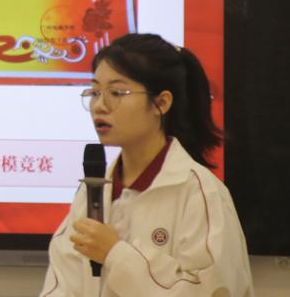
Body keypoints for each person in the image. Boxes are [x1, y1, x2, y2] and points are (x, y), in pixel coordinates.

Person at [40, 33, 254, 297]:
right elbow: (61, 283)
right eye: (95, 92)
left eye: (116, 93)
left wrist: (115, 254)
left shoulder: (200, 192)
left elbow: (211, 290)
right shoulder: (92, 193)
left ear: (161, 103)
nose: (99, 106)